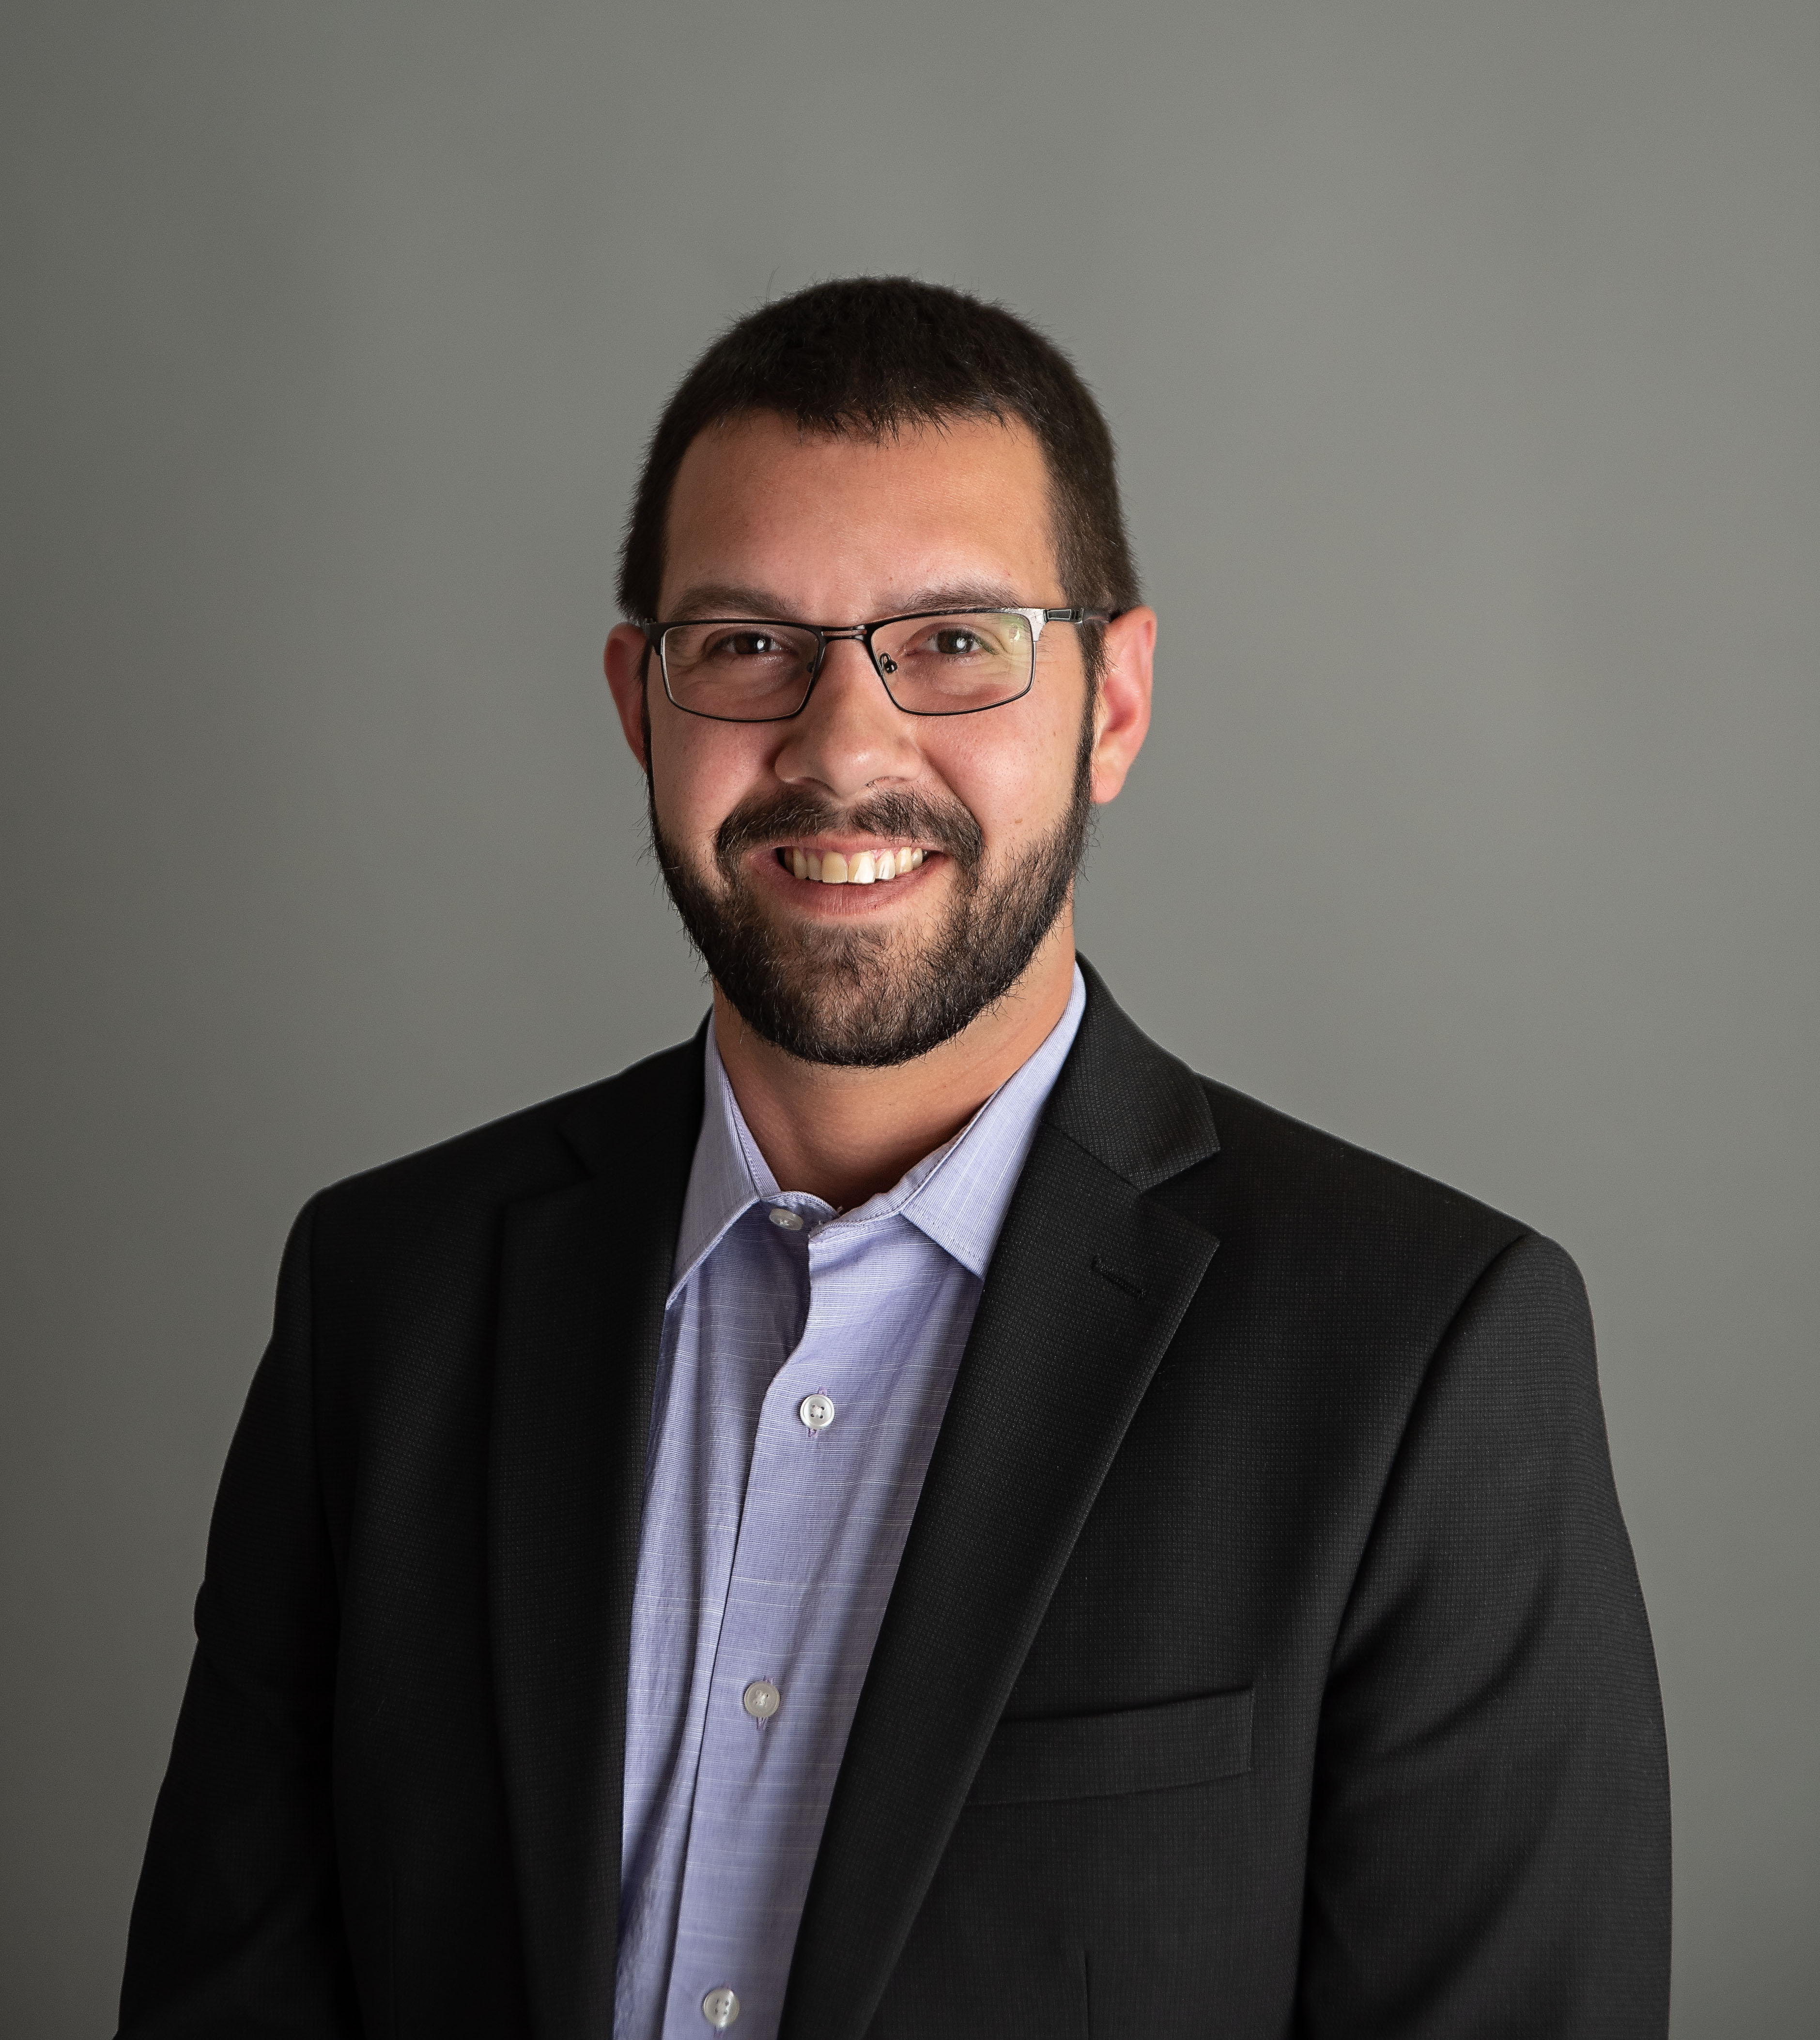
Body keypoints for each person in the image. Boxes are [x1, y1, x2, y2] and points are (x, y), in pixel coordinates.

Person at [118, 278, 1670, 2040]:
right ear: (640, 703)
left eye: (953, 642)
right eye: (746, 645)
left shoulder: (1422, 1356)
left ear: (1114, 703)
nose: (844, 746)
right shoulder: (386, 1299)